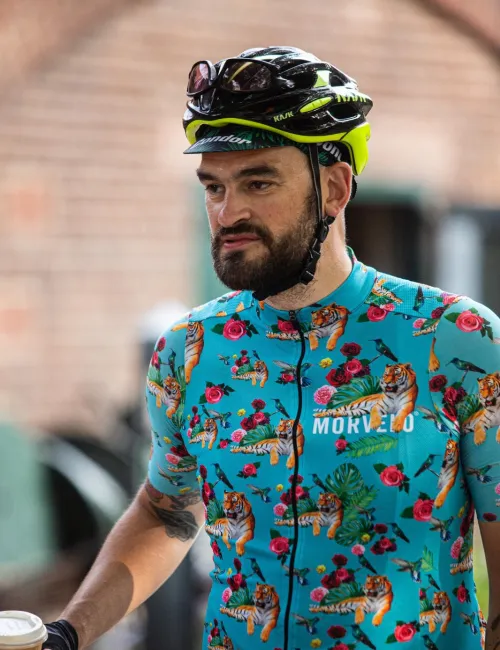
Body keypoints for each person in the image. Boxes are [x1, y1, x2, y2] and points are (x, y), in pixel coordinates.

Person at [42, 46, 500, 650]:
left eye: (258, 182)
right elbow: (166, 511)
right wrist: (67, 633)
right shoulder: (189, 350)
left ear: (334, 188)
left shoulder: (457, 338)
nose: (227, 212)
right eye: (213, 187)